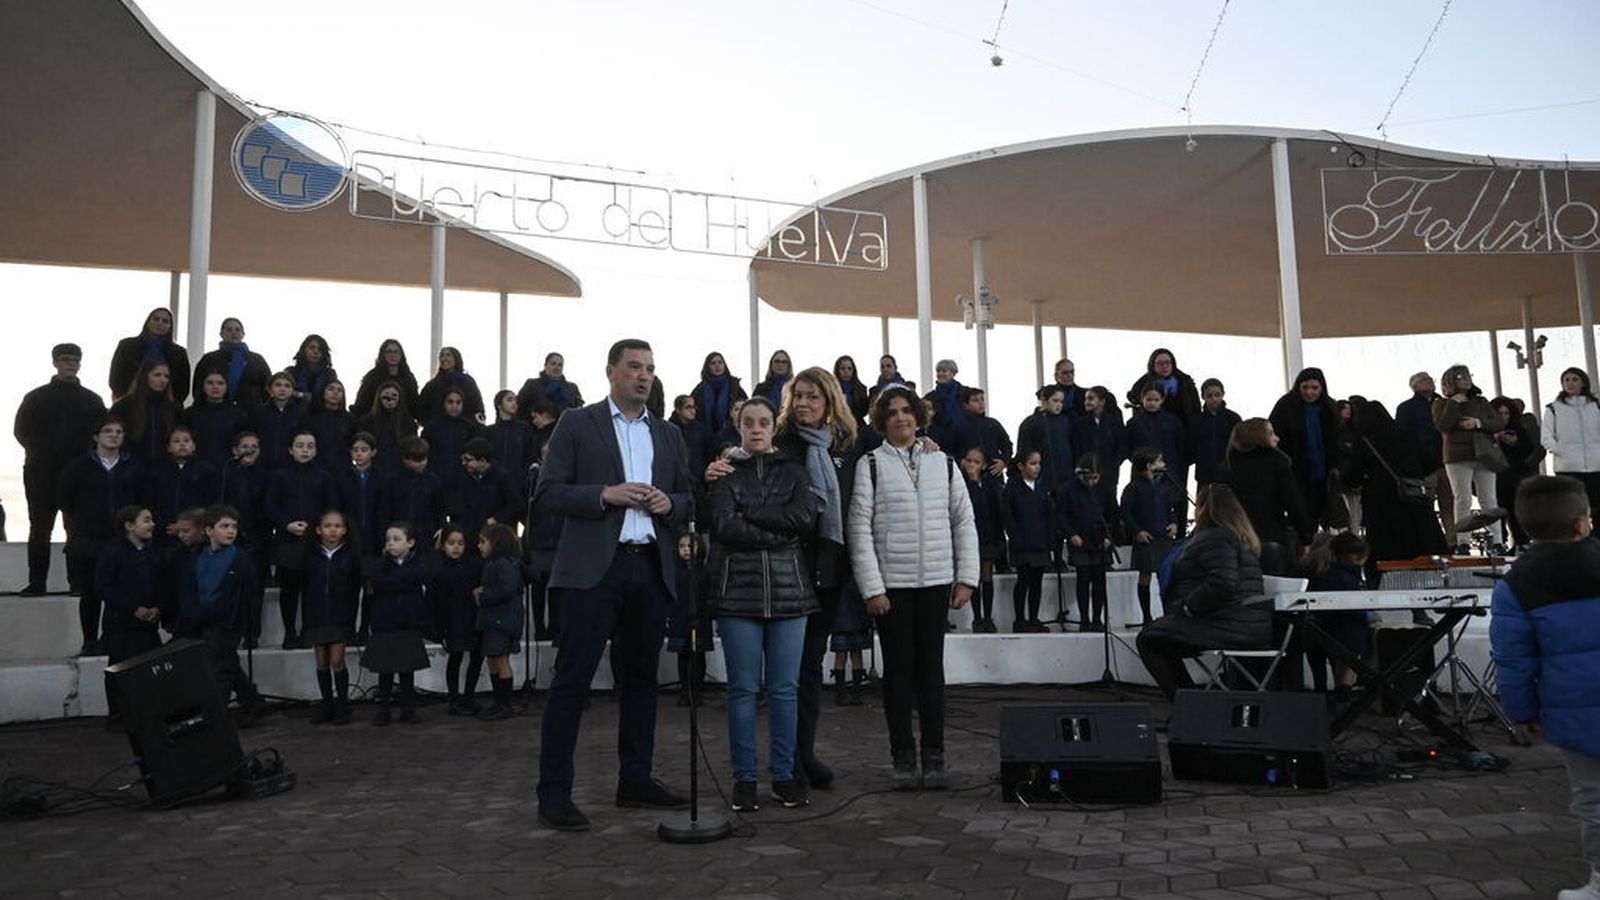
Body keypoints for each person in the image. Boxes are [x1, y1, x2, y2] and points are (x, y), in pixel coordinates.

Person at [532, 338, 692, 832]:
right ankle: (554, 794)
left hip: (649, 568)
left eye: (649, 368)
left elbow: (688, 497)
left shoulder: (667, 434)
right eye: (634, 367)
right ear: (611, 373)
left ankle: (636, 781)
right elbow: (548, 493)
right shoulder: (578, 424)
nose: (643, 376)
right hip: (591, 573)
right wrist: (604, 494)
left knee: (643, 681)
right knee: (572, 683)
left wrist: (671, 505)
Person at [847, 386, 978, 791]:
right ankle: (903, 757)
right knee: (899, 675)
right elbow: (859, 530)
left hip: (937, 583)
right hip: (893, 588)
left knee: (931, 674)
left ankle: (935, 757)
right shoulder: (869, 465)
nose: (901, 417)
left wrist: (967, 577)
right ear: (881, 420)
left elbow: (963, 521)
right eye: (892, 412)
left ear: (919, 416)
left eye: (907, 411)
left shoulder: (946, 464)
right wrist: (872, 588)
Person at [1489, 475, 1600, 900]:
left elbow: (1514, 661)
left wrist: (1522, 713)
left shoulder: (1515, 586)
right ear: (1581, 523)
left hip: (1574, 711)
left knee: (1592, 799)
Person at [707, 396, 819, 811]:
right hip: (739, 593)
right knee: (742, 690)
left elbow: (803, 518)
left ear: (774, 427)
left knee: (785, 690)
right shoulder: (723, 473)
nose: (756, 428)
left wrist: (749, 513)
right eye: (749, 422)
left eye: (764, 422)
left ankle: (785, 776)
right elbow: (723, 526)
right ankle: (745, 779)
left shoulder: (794, 470)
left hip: (791, 592)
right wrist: (776, 531)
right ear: (739, 426)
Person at [1135, 484, 1269, 700]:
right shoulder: (1239, 537)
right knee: (1160, 635)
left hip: (1228, 625)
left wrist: (1188, 607)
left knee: (1149, 639)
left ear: (1205, 508)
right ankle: (1191, 702)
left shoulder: (1217, 537)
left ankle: (1188, 704)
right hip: (1244, 623)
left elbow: (1224, 582)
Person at [13, 343, 105, 595]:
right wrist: (41, 452)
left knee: (75, 528)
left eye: (75, 360)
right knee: (40, 527)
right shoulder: (36, 397)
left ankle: (77, 582)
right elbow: (21, 431)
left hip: (78, 473)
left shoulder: (92, 400)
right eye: (65, 359)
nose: (71, 364)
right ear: (55, 362)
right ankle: (37, 582)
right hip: (41, 472)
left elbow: (101, 434)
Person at [58, 418, 144, 655]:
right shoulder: (79, 467)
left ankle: (114, 640)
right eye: (108, 431)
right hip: (90, 540)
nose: (114, 435)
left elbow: (143, 496)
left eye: (119, 431)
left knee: (120, 594)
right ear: (96, 436)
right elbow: (65, 499)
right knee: (91, 593)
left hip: (123, 539)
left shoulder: (133, 466)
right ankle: (89, 641)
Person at [172, 505, 265, 724]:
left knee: (220, 670)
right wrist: (192, 615)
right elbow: (190, 589)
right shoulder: (197, 557)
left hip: (227, 622)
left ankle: (216, 718)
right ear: (209, 530)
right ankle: (252, 702)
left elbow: (251, 594)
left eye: (233, 526)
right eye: (224, 526)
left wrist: (251, 627)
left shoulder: (240, 559)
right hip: (200, 620)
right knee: (226, 663)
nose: (231, 531)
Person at [1343, 401, 1448, 583]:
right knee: (1421, 543)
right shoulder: (1407, 435)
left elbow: (1353, 476)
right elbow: (1432, 462)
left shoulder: (1366, 440)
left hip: (1381, 504)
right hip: (1414, 500)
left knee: (1387, 549)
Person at [264, 431, 337, 648]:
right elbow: (270, 505)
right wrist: (286, 523)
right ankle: (289, 633)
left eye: (309, 446)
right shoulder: (279, 476)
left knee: (312, 590)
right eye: (300, 445)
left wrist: (315, 527)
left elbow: (330, 506)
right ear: (290, 449)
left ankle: (308, 631)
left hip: (314, 540)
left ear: (315, 451)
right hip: (287, 540)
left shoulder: (324, 477)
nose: (305, 450)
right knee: (289, 590)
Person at [96, 506, 163, 724]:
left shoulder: (153, 552)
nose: (152, 524)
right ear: (129, 526)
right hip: (121, 624)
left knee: (150, 667)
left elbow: (163, 584)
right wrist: (133, 609)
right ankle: (118, 715)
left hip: (147, 624)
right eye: (146, 520)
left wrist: (158, 607)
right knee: (119, 668)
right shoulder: (113, 551)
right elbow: (103, 587)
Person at [1221, 418, 1312, 576]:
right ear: (1259, 437)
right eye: (1270, 433)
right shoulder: (1277, 464)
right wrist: (1306, 538)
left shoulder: (1228, 467)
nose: (1276, 438)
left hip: (1235, 541)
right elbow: (1293, 503)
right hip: (1271, 536)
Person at [363, 522, 432, 725]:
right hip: (385, 623)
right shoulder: (380, 564)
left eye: (396, 539)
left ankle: (407, 709)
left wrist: (395, 581)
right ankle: (384, 709)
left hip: (408, 623)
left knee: (406, 670)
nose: (390, 543)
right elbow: (378, 582)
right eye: (388, 540)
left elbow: (417, 577)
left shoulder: (418, 563)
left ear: (410, 543)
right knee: (385, 670)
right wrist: (401, 581)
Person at [1433, 364, 1505, 548]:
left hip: (1484, 454)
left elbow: (1497, 423)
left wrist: (1478, 423)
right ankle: (1463, 540)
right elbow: (1443, 426)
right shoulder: (1441, 404)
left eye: (1467, 375)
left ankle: (1497, 539)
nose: (1466, 379)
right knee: (1462, 498)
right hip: (1457, 455)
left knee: (1489, 498)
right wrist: (1454, 403)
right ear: (1450, 381)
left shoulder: (1481, 402)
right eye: (1460, 376)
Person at [300, 509, 360, 725]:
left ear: (345, 529)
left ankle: (342, 704)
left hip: (340, 614)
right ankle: (327, 704)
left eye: (337, 526)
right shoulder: (309, 554)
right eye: (327, 526)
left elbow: (354, 587)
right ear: (318, 529)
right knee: (322, 661)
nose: (333, 530)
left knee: (337, 660)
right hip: (316, 614)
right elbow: (304, 586)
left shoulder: (351, 554)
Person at [1268, 367, 1342, 530]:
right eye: (1305, 387)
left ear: (1322, 388)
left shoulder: (1330, 407)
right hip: (1295, 472)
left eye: (1314, 388)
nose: (1309, 392)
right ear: (1298, 387)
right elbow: (1272, 437)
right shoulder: (1285, 406)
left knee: (1321, 513)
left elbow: (1337, 440)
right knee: (1301, 516)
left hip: (1324, 474)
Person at [1300, 531, 1371, 699]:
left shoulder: (1314, 568)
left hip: (1314, 628)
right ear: (1356, 556)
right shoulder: (1346, 575)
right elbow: (1352, 606)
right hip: (1342, 631)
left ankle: (1323, 691)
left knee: (1319, 665)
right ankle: (1344, 688)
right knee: (1353, 649)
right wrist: (1369, 616)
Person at [432, 525, 487, 716]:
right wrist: (440, 632)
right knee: (455, 659)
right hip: (452, 622)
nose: (456, 547)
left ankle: (469, 697)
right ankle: (454, 699)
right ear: (443, 545)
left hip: (474, 619)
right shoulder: (439, 571)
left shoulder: (476, 565)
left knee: (476, 659)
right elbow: (436, 605)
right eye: (451, 543)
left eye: (460, 543)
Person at [219, 432, 268, 645]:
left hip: (257, 539)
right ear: (235, 450)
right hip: (229, 539)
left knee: (254, 589)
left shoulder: (265, 475)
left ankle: (251, 633)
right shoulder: (227, 473)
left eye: (254, 446)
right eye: (245, 446)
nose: (249, 450)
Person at [475, 523, 527, 722]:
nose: (479, 546)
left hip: (501, 621)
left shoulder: (503, 564)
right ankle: (499, 702)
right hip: (495, 620)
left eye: (483, 542)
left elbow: (506, 590)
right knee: (493, 660)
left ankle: (505, 704)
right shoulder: (498, 564)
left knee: (500, 660)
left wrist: (483, 595)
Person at [1396, 371, 1455, 546]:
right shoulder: (1406, 408)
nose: (1429, 382)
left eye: (1430, 379)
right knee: (1425, 507)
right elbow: (1403, 436)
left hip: (1446, 461)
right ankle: (1429, 542)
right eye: (1424, 380)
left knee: (1449, 506)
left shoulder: (1445, 404)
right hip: (1423, 466)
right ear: (1414, 386)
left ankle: (1453, 542)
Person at [142, 425, 219, 551]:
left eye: (186, 441)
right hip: (163, 534)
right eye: (176, 441)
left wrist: (193, 524)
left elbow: (212, 503)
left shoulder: (207, 471)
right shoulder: (156, 471)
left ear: (194, 446)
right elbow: (149, 502)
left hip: (196, 534)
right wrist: (167, 526)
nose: (182, 444)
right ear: (168, 447)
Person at [1059, 454, 1114, 632]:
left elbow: (1114, 514)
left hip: (1100, 541)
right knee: (1083, 580)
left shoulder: (1105, 490)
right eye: (1088, 478)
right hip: (1080, 541)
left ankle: (1098, 619)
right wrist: (1071, 534)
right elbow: (1062, 516)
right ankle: (1084, 619)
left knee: (1099, 582)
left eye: (1095, 478)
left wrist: (1109, 537)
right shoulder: (1068, 490)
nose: (1091, 482)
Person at [1002, 450, 1054, 633]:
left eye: (1039, 463)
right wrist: (1015, 538)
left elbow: (1048, 515)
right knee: (1023, 581)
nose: (1037, 467)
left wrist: (1049, 539)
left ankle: (1033, 618)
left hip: (1039, 543)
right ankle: (1019, 619)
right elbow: (1008, 516)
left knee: (1037, 583)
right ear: (1021, 466)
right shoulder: (1012, 488)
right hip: (1022, 543)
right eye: (1032, 463)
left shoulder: (1041, 487)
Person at [1121, 447, 1175, 625]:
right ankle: (1146, 616)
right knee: (1145, 575)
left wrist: (1173, 522)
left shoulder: (1164, 485)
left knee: (1165, 575)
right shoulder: (1133, 488)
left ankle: (1168, 613)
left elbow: (1170, 509)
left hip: (1163, 536)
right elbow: (1126, 514)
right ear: (1149, 465)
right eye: (1159, 461)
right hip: (1146, 537)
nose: (1163, 464)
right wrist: (1137, 531)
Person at [1127, 382, 1187, 534]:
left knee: (1169, 505)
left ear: (1162, 400)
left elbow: (1181, 446)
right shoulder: (1134, 423)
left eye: (1156, 400)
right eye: (1148, 399)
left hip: (1168, 471)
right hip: (1142, 473)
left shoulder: (1172, 421)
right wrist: (1141, 464)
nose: (1152, 403)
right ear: (1142, 399)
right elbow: (1128, 448)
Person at [1543, 367, 1600, 519]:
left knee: (1597, 508)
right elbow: (1546, 435)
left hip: (1596, 466)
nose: (1570, 383)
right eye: (1566, 380)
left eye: (1575, 379)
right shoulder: (1553, 408)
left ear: (1583, 382)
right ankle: (1575, 541)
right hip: (1567, 467)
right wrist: (1560, 450)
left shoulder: (1596, 406)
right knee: (1571, 510)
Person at [959, 446, 1004, 634]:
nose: (971, 465)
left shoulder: (990, 484)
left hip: (988, 536)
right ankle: (977, 617)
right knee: (973, 578)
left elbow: (996, 509)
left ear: (984, 465)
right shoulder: (961, 485)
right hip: (970, 537)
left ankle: (988, 617)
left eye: (976, 462)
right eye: (969, 461)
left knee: (987, 576)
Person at [1491, 396, 1545, 549]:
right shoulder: (1486, 431)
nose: (1503, 417)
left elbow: (1530, 449)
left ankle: (1521, 544)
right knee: (1497, 513)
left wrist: (1515, 443)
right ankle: (1499, 543)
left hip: (1515, 478)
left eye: (1506, 413)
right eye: (1499, 414)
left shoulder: (1520, 429)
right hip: (1495, 478)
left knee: (1516, 514)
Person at [446, 437, 522, 545]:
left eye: (468, 460)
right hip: (468, 539)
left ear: (482, 460)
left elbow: (516, 504)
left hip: (493, 539)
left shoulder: (502, 478)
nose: (464, 463)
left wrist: (496, 519)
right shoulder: (460, 478)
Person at [109, 307, 189, 405]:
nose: (160, 323)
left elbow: (183, 385)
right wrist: (125, 401)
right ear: (148, 322)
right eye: (156, 319)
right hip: (130, 404)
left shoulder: (179, 353)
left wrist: (172, 405)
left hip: (165, 408)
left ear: (170, 327)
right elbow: (115, 377)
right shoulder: (127, 346)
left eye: (165, 321)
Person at [1071, 386, 1127, 518]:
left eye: (1091, 398)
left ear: (1102, 401)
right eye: (1085, 399)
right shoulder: (1080, 424)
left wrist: (1113, 464)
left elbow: (1122, 447)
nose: (1087, 402)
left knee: (1109, 507)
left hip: (1109, 474)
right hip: (1087, 475)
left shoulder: (1114, 423)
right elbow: (1076, 449)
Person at [191, 318, 272, 408]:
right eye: (229, 329)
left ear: (243, 334)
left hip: (251, 413)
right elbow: (198, 388)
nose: (234, 333)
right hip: (216, 411)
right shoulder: (209, 359)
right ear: (221, 334)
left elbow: (268, 388)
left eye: (237, 330)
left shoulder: (257, 360)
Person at [380, 437, 446, 545]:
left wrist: (441, 528)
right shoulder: (391, 482)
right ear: (404, 459)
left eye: (424, 459)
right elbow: (384, 512)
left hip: (427, 536)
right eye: (417, 460)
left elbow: (440, 509)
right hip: (398, 537)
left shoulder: (433, 481)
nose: (422, 463)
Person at [109, 362, 179, 462]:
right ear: (144, 376)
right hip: (130, 468)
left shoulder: (174, 408)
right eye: (157, 375)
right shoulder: (123, 406)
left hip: (164, 469)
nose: (163, 380)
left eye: (166, 376)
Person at [1017, 385, 1076, 494]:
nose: (1059, 405)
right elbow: (1024, 451)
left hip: (1065, 477)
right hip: (1041, 478)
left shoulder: (1066, 422)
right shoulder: (1030, 423)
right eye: (1055, 400)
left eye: (1061, 401)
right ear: (1044, 400)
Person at [186, 372, 250, 470]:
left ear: (227, 387)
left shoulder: (238, 414)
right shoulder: (190, 413)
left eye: (220, 383)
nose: (215, 387)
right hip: (196, 468)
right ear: (203, 386)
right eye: (210, 383)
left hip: (228, 468)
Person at [1124, 348, 1200, 427]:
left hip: (1182, 430)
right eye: (1160, 363)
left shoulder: (1186, 382)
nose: (1164, 366)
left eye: (1168, 362)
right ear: (1152, 365)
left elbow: (1196, 409)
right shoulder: (1142, 385)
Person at [421, 388, 485, 478]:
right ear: (443, 404)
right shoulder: (432, 426)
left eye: (458, 402)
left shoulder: (469, 426)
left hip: (463, 476)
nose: (454, 406)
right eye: (450, 402)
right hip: (437, 475)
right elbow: (424, 451)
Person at [358, 380, 417, 477]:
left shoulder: (408, 422)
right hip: (374, 472)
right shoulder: (367, 421)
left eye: (394, 395)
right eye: (386, 395)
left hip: (401, 472)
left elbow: (411, 448)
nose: (390, 399)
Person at [1191, 378, 1242, 489]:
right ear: (1203, 397)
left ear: (1223, 394)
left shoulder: (1233, 418)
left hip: (1228, 473)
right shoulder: (1197, 420)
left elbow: (1240, 444)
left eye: (1217, 395)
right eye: (1209, 396)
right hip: (1204, 475)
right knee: (1205, 505)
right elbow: (1191, 446)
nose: (1214, 399)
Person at [950, 386, 1012, 476]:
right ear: (965, 405)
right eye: (975, 400)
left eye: (982, 400)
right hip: (968, 476)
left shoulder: (993, 424)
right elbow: (949, 450)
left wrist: (1003, 461)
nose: (980, 403)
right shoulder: (958, 426)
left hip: (992, 475)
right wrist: (960, 461)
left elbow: (1007, 445)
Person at [352, 339, 421, 419]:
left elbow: (414, 406)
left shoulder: (408, 378)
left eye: (396, 352)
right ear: (382, 354)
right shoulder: (372, 377)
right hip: (375, 423)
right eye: (389, 352)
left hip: (401, 425)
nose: (393, 355)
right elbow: (361, 405)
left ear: (401, 355)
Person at [251, 373, 308, 470]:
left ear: (292, 390)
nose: (282, 389)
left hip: (290, 467)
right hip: (262, 466)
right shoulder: (259, 412)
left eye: (287, 385)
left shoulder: (300, 414)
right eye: (278, 385)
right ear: (269, 389)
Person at [418, 346, 485, 423]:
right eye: (442, 356)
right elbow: (422, 408)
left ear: (456, 358)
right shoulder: (432, 385)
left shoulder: (467, 382)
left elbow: (477, 406)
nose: (444, 358)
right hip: (438, 428)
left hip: (464, 428)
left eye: (448, 355)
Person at [690, 351, 749, 439]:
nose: (717, 366)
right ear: (707, 367)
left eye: (720, 362)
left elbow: (746, 406)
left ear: (724, 365)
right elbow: (690, 409)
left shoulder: (734, 387)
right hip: (705, 437)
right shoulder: (700, 389)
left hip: (732, 435)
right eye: (713, 363)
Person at [517, 351, 585, 417]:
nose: (556, 368)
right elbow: (519, 407)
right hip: (537, 427)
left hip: (566, 427)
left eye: (560, 365)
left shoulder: (572, 388)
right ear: (545, 365)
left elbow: (579, 411)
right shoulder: (532, 385)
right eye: (553, 364)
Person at [488, 390, 538, 479]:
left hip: (519, 482)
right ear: (499, 405)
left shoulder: (524, 429)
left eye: (516, 400)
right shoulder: (489, 431)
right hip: (494, 482)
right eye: (509, 400)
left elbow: (530, 456)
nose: (514, 403)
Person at [922, 359, 967, 449]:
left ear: (953, 373)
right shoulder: (931, 396)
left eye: (944, 371)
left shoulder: (965, 392)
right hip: (940, 440)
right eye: (938, 371)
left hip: (964, 436)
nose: (940, 374)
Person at [669, 394, 712, 486]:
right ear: (678, 409)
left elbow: (708, 453)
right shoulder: (669, 430)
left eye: (694, 407)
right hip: (677, 479)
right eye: (688, 407)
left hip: (699, 480)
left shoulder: (701, 429)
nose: (692, 411)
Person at [834, 355, 870, 425]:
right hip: (837, 424)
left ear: (854, 371)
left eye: (849, 368)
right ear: (837, 370)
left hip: (857, 425)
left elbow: (864, 410)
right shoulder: (832, 389)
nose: (846, 371)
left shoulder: (861, 388)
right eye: (843, 369)